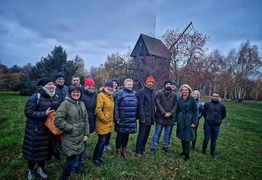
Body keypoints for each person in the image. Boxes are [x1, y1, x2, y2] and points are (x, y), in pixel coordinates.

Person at [23, 78, 60, 180]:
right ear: (44, 86)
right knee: (33, 152)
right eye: (49, 84)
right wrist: (44, 114)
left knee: (44, 151)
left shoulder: (55, 96)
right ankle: (30, 171)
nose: (51, 86)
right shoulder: (36, 97)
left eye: (52, 84)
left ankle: (40, 169)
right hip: (36, 130)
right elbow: (28, 112)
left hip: (48, 130)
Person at [54, 85, 89, 180]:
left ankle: (67, 175)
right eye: (73, 92)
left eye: (78, 92)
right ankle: (64, 177)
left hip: (80, 135)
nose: (76, 94)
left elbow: (85, 119)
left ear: (81, 93)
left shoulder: (81, 103)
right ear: (70, 93)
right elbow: (58, 121)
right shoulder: (65, 104)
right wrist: (71, 128)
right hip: (70, 135)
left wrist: (86, 134)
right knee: (71, 157)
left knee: (74, 156)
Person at [73, 78, 97, 171]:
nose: (91, 87)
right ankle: (75, 164)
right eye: (89, 85)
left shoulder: (95, 95)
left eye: (92, 86)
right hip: (80, 120)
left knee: (84, 142)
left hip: (90, 120)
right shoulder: (80, 93)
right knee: (78, 142)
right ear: (85, 85)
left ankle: (81, 161)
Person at [151, 80, 177, 153]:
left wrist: (171, 113)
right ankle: (153, 147)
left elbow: (176, 105)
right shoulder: (159, 93)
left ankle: (165, 146)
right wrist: (163, 113)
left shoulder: (174, 94)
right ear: (165, 85)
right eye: (167, 84)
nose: (168, 85)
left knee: (167, 132)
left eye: (170, 84)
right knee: (157, 132)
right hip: (160, 116)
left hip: (169, 117)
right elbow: (157, 103)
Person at [114, 78, 138, 158]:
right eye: (128, 84)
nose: (129, 86)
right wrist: (117, 118)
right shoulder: (120, 93)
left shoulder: (134, 93)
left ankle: (124, 150)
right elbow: (116, 105)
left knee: (126, 135)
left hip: (130, 118)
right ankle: (118, 150)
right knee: (120, 135)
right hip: (122, 118)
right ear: (125, 85)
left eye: (131, 84)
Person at [93, 80, 114, 165]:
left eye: (111, 86)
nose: (110, 88)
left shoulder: (110, 96)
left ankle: (100, 156)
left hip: (108, 122)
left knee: (104, 141)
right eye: (108, 86)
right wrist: (103, 119)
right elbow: (98, 109)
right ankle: (96, 158)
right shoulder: (101, 95)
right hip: (102, 122)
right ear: (105, 86)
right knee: (101, 141)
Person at [175, 84, 198, 161]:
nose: (184, 91)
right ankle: (184, 151)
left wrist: (194, 122)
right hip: (181, 118)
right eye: (183, 90)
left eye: (186, 90)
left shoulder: (192, 99)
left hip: (189, 118)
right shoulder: (180, 99)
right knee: (182, 135)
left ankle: (187, 154)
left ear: (189, 91)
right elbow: (177, 110)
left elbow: (196, 111)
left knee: (187, 136)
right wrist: (176, 120)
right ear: (181, 91)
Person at [135, 76, 155, 157]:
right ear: (147, 82)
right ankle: (138, 151)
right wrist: (142, 118)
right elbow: (140, 105)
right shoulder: (142, 91)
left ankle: (143, 148)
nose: (150, 83)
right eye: (149, 82)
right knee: (142, 134)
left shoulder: (152, 92)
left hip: (150, 117)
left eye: (152, 82)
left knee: (146, 134)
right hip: (144, 117)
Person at [202, 92, 226, 159]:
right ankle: (203, 151)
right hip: (208, 124)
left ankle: (212, 153)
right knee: (206, 138)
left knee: (214, 140)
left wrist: (218, 120)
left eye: (217, 96)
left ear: (219, 97)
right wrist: (207, 118)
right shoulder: (207, 104)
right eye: (214, 96)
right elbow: (204, 112)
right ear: (211, 97)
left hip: (216, 125)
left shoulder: (222, 106)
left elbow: (223, 115)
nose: (215, 97)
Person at [104, 78, 120, 151]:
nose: (114, 84)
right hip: (107, 113)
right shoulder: (106, 92)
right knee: (105, 129)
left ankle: (107, 144)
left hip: (114, 113)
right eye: (113, 83)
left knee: (110, 129)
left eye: (116, 83)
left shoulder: (118, 92)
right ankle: (103, 144)